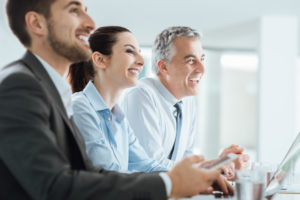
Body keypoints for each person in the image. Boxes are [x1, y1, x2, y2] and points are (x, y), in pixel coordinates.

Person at [0, 0, 226, 199]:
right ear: (37, 24)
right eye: (74, 10)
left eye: (86, 9)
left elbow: (103, 172)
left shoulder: (53, 92)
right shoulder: (21, 86)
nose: (90, 22)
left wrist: (200, 172)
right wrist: (170, 183)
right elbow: (54, 186)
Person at [122, 26, 249, 173]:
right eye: (190, 60)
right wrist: (214, 166)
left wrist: (221, 168)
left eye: (202, 59)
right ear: (164, 67)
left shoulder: (186, 101)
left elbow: (185, 160)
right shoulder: (141, 95)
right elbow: (151, 165)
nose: (202, 69)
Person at [69, 26, 168, 173]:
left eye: (139, 53)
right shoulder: (80, 107)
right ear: (100, 60)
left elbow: (146, 166)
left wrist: (197, 178)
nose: (141, 61)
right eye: (129, 51)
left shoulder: (118, 117)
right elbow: (107, 175)